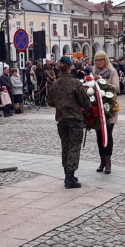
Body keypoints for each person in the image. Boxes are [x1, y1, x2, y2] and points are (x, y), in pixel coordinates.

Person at [48, 55, 91, 188]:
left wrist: (61, 105)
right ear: (69, 67)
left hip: (61, 119)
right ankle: (70, 177)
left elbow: (50, 102)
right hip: (74, 119)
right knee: (74, 146)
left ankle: (67, 173)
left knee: (65, 146)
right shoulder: (75, 83)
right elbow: (85, 102)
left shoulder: (55, 84)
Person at [93, 51, 120, 174]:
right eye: (96, 60)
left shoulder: (112, 72)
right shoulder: (94, 73)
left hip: (109, 107)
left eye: (100, 60)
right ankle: (102, 160)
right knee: (99, 134)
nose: (98, 62)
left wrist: (104, 85)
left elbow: (116, 87)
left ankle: (108, 160)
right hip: (97, 108)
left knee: (107, 134)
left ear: (105, 60)